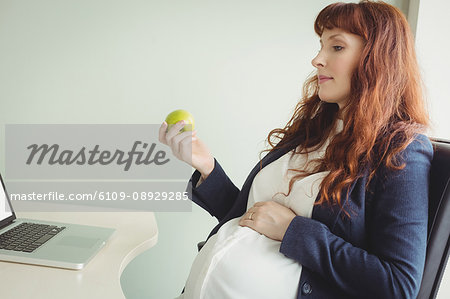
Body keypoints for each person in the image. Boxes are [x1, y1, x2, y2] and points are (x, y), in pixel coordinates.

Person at [158, 1, 433, 298]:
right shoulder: (313, 130)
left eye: (336, 47)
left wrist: (294, 230)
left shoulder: (402, 149)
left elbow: (398, 284)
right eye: (321, 46)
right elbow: (254, 219)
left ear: (378, 59)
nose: (317, 59)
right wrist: (207, 167)